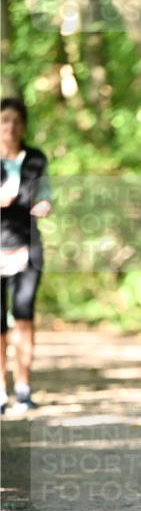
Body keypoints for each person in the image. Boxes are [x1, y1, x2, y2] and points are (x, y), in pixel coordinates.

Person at [0, 98, 52, 414]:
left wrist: (44, 205)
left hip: (27, 247)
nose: (11, 127)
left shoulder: (36, 159)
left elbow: (45, 194)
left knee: (24, 316)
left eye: (17, 121)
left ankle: (24, 387)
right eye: (5, 120)